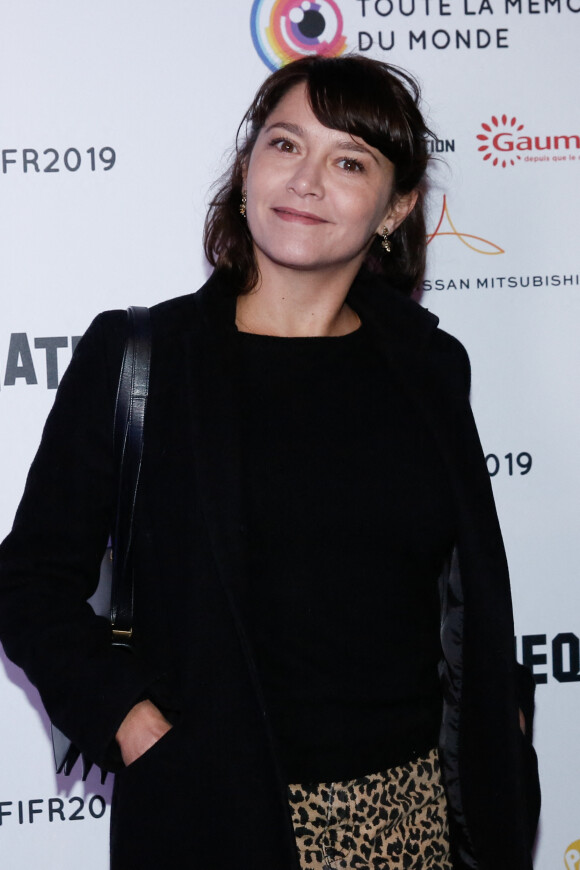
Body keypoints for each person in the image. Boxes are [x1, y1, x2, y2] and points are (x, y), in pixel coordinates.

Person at [0, 55, 539, 870]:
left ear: (395, 209)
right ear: (248, 167)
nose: (307, 180)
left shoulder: (430, 367)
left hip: (410, 821)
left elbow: (464, 599)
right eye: (286, 145)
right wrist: (133, 724)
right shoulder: (143, 357)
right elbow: (28, 581)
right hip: (214, 814)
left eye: (349, 161)